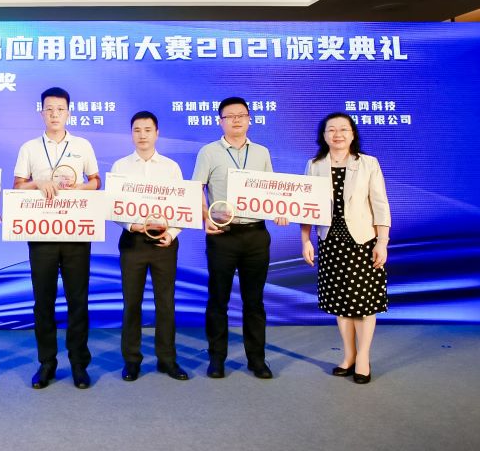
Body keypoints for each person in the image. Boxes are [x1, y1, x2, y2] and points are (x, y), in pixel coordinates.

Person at [192, 96, 286, 380]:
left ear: (249, 120)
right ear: (220, 121)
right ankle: (216, 358)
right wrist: (206, 216)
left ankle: (257, 360)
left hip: (256, 234)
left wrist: (281, 210)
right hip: (223, 234)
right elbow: (197, 188)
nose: (236, 120)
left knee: (254, 301)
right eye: (229, 116)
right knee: (218, 299)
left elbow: (271, 190)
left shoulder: (261, 152)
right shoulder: (209, 152)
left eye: (241, 115)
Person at [13, 87, 101, 389]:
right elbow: (17, 186)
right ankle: (46, 363)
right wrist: (38, 182)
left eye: (60, 109)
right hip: (41, 233)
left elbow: (96, 181)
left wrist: (80, 188)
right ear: (41, 113)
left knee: (78, 300)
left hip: (76, 231)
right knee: (43, 302)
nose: (54, 114)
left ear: (68, 113)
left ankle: (78, 364)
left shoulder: (82, 145)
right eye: (49, 109)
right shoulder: (29, 148)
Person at [300, 112, 390, 384]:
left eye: (343, 129)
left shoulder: (368, 163)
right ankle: (349, 356)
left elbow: (380, 205)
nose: (337, 134)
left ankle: (363, 358)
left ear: (352, 134)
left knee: (363, 305)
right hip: (330, 243)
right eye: (331, 130)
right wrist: (305, 240)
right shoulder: (315, 165)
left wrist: (382, 242)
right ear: (323, 135)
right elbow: (305, 206)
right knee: (341, 305)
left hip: (362, 242)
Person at [111, 111, 189, 382]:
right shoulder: (120, 166)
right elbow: (113, 207)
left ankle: (167, 359)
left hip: (164, 243)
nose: (142, 135)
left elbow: (182, 206)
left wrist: (173, 233)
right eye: (137, 130)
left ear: (157, 133)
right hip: (133, 242)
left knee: (165, 303)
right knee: (131, 303)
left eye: (147, 130)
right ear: (131, 134)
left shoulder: (170, 167)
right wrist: (130, 225)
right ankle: (131, 360)